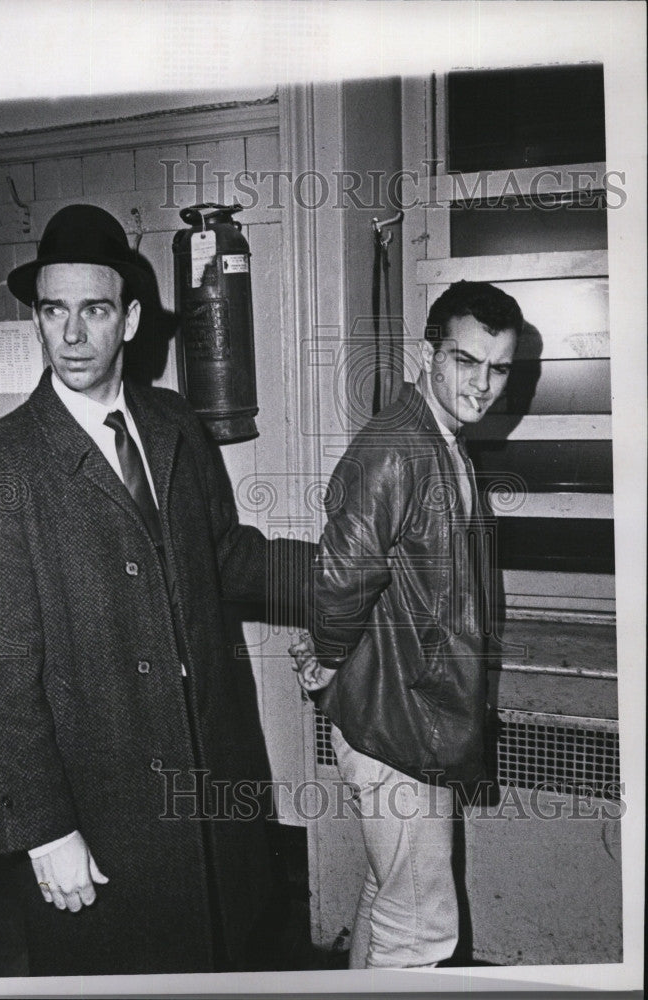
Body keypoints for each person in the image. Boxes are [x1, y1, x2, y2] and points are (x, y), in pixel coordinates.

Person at [0, 204, 311, 976]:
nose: (72, 335)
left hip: (211, 780)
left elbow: (222, 558)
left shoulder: (175, 422)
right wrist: (45, 832)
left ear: (132, 318)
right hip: (101, 805)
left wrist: (346, 573)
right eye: (53, 311)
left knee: (225, 959)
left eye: (94, 309)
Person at [290, 281, 522, 969]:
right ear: (426, 354)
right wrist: (328, 660)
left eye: (498, 368)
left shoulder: (439, 439)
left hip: (405, 712)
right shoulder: (398, 446)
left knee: (391, 895)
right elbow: (340, 570)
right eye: (465, 361)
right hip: (396, 720)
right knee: (417, 928)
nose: (481, 385)